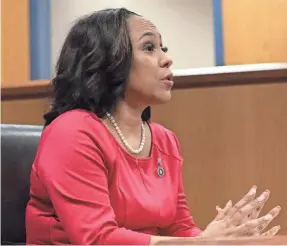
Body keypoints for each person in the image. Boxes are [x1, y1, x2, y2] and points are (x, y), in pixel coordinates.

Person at [25, 8, 281, 245]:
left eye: (163, 47)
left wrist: (225, 237)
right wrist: (201, 243)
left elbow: (179, 230)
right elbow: (97, 238)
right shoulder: (72, 132)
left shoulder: (164, 139)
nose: (167, 60)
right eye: (149, 47)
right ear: (107, 60)